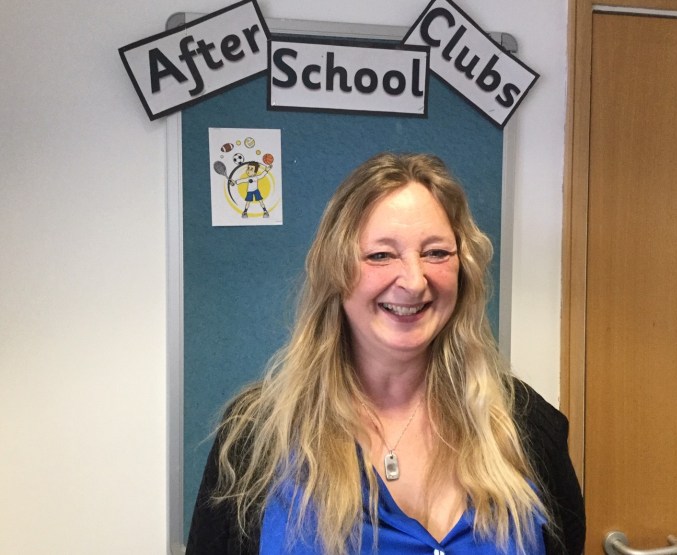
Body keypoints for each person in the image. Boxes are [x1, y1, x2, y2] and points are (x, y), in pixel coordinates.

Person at [187, 153, 585, 554]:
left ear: (463, 269)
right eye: (381, 255)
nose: (413, 282)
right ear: (336, 271)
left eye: (435, 253)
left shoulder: (530, 427)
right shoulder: (256, 439)